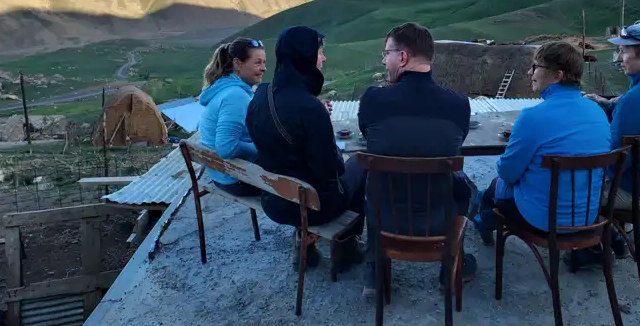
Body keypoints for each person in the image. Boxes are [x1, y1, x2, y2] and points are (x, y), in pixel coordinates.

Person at [357, 22, 478, 296]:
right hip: (439, 219)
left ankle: (375, 270)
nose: (384, 60)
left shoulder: (373, 99)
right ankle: (451, 265)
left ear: (403, 57)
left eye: (387, 53)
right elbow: (455, 145)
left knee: (374, 179)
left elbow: (368, 136)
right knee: (465, 183)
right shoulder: (459, 104)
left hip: (385, 217)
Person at [247, 26, 366, 271]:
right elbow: (330, 171)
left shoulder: (261, 94)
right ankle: (347, 247)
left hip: (274, 199)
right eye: (319, 52)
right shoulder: (310, 108)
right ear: (305, 56)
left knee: (303, 175)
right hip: (311, 207)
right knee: (360, 164)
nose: (323, 58)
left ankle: (307, 246)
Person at [569, 24, 640, 271]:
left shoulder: (636, 99)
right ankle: (612, 236)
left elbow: (614, 160)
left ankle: (593, 248)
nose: (619, 58)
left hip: (636, 192)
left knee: (567, 185)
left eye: (624, 52)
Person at [472, 41, 611, 243]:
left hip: (543, 219)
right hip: (587, 216)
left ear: (558, 75)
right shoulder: (597, 112)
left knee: (494, 188)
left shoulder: (532, 117)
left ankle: (484, 222)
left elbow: (507, 173)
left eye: (536, 67)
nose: (530, 72)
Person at [199, 38, 266, 197]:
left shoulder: (224, 88)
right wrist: (261, 149)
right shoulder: (235, 96)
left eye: (264, 62)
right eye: (257, 63)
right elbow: (226, 148)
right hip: (235, 180)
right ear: (237, 64)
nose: (263, 68)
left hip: (220, 173)